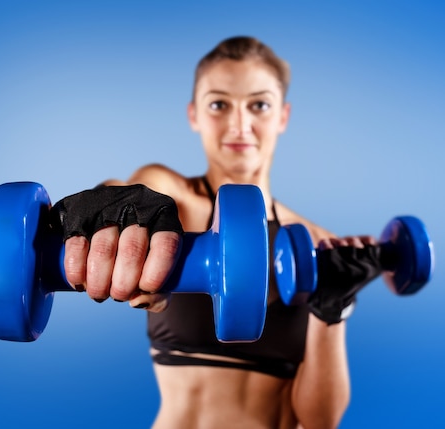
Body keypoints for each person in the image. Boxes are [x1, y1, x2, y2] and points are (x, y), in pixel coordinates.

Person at [51, 36, 382, 429]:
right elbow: (125, 190)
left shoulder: (315, 241)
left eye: (259, 105)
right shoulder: (172, 198)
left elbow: (319, 420)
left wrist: (333, 308)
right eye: (218, 104)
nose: (240, 125)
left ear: (283, 116)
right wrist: (111, 207)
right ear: (194, 115)